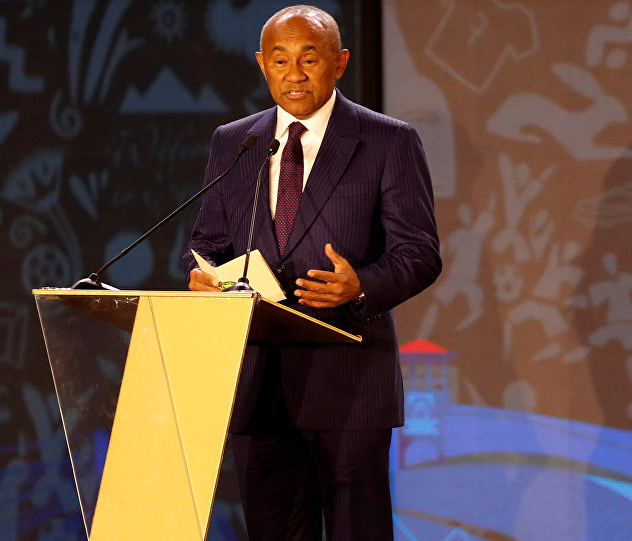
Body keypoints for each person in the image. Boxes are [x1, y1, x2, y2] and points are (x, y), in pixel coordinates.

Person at [182, 5, 441, 539]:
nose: (294, 74)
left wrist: (362, 286)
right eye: (280, 60)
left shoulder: (388, 141)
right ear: (262, 65)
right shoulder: (236, 142)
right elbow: (206, 242)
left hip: (348, 381)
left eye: (309, 58)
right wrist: (201, 273)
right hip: (259, 385)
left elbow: (419, 252)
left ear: (339, 62)